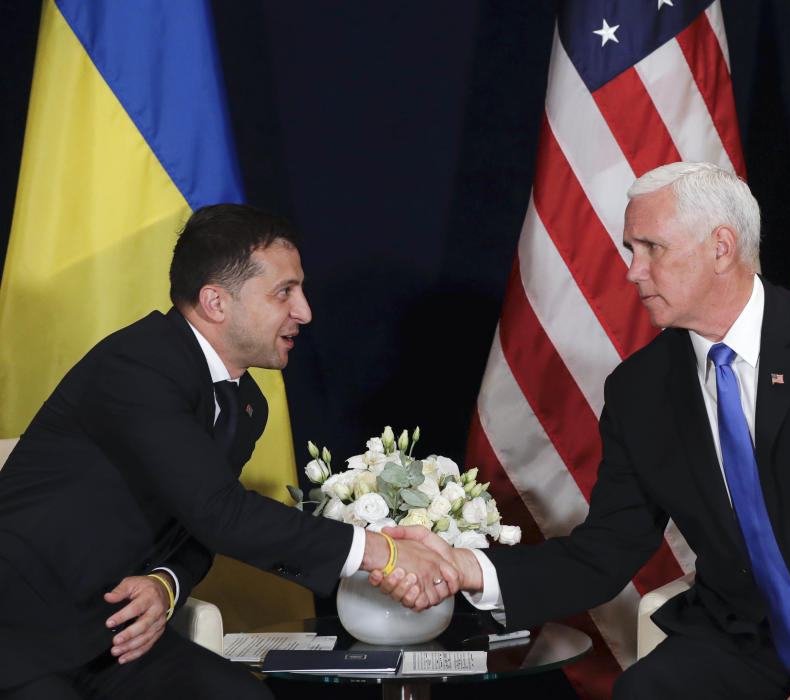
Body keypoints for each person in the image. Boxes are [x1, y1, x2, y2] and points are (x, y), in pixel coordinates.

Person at [374, 163, 790, 699]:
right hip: (750, 638)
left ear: (721, 248)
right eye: (631, 249)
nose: (632, 270)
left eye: (651, 248)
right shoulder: (640, 390)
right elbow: (605, 552)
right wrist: (467, 566)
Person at [0, 204, 459, 699]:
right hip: (21, 629)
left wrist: (166, 583)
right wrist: (382, 552)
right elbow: (220, 513)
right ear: (216, 302)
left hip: (115, 635)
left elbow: (196, 529)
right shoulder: (138, 365)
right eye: (285, 292)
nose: (305, 311)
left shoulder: (245, 404)